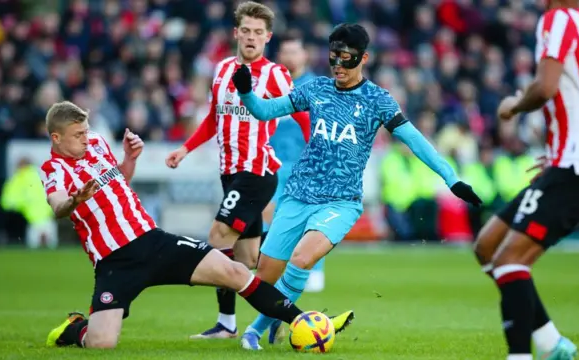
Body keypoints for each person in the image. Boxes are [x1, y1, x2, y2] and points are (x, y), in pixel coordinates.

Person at [230, 23, 483, 350]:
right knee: (265, 275)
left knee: (302, 259)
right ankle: (283, 319)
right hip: (297, 195)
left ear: (363, 58)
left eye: (346, 58)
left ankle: (254, 331)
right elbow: (266, 111)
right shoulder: (316, 88)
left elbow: (416, 141)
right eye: (334, 57)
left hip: (341, 203)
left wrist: (452, 178)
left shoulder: (378, 99)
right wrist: (247, 92)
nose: (338, 65)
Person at [42, 101, 350, 349]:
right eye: (78, 134)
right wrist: (75, 200)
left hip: (153, 241)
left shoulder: (96, 143)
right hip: (114, 262)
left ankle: (302, 322)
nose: (86, 137)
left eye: (86, 130)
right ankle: (74, 329)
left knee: (235, 272)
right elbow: (58, 206)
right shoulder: (52, 168)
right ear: (56, 138)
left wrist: (129, 159)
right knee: (101, 344)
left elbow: (120, 181)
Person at [472, 4, 579, 360]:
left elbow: (545, 88)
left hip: (578, 168)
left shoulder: (557, 20)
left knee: (510, 261)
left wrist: (513, 105)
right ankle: (550, 343)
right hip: (574, 163)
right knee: (488, 246)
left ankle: (523, 355)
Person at [164, 1, 310, 340]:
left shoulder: (275, 74)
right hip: (230, 172)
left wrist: (315, 151)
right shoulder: (222, 68)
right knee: (248, 259)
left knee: (217, 237)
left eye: (258, 32)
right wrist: (185, 148)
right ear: (236, 33)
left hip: (256, 172)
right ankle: (273, 313)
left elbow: (302, 115)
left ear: (267, 38)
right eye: (245, 30)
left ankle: (227, 324)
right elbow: (215, 118)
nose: (251, 37)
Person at [266, 33, 326, 295]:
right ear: (279, 56)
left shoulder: (316, 87)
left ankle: (314, 270)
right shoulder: (268, 87)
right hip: (272, 166)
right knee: (270, 218)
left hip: (306, 167)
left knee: (310, 219)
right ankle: (272, 269)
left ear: (304, 56)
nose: (290, 56)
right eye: (285, 52)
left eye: (295, 51)